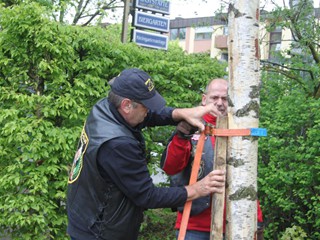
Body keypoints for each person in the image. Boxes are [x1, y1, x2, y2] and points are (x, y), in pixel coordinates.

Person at [66, 68, 226, 240]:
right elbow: (147, 196)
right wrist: (197, 189)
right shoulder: (118, 144)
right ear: (127, 105)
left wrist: (180, 113)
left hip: (86, 216)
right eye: (145, 106)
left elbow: (149, 116)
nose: (148, 111)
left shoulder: (105, 108)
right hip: (100, 232)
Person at [160, 78, 264, 240]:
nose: (220, 103)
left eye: (225, 99)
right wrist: (182, 134)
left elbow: (247, 180)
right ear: (204, 99)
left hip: (235, 226)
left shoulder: (240, 131)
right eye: (214, 98)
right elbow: (170, 167)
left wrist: (256, 220)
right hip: (193, 226)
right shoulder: (190, 127)